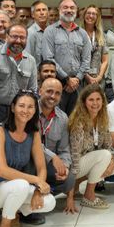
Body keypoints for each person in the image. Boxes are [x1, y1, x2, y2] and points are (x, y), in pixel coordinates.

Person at [0, 92, 55, 227]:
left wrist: (38, 190)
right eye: (21, 106)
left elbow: (41, 167)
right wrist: (36, 180)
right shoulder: (0, 130)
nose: (26, 110)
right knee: (21, 185)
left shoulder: (33, 133)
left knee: (49, 201)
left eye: (30, 107)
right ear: (12, 108)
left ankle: (14, 212)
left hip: (14, 188)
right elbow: (2, 170)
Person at [64, 84, 114, 213]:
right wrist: (70, 197)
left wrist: (111, 159)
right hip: (74, 167)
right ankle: (88, 195)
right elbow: (75, 156)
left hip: (89, 161)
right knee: (105, 156)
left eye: (98, 99)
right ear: (84, 102)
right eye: (91, 100)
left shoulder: (102, 118)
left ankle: (81, 186)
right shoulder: (78, 122)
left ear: (103, 100)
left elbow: (108, 146)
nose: (95, 103)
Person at [43, 0, 92, 114]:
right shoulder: (50, 31)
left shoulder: (83, 33)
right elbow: (48, 58)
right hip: (57, 84)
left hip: (77, 86)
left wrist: (77, 79)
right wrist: (66, 79)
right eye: (65, 7)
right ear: (59, 10)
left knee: (76, 120)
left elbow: (86, 60)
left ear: (76, 10)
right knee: (56, 117)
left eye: (72, 8)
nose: (69, 10)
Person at [37, 77, 74, 211]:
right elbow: (30, 143)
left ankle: (42, 197)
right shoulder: (29, 110)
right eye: (49, 91)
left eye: (57, 93)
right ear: (40, 91)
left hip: (48, 166)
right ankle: (29, 204)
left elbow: (64, 149)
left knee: (69, 179)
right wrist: (52, 156)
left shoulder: (63, 118)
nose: (53, 96)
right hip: (29, 163)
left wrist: (64, 167)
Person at [0, 24, 37, 123]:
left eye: (22, 38)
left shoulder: (31, 60)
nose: (18, 41)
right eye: (14, 36)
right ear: (7, 37)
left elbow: (33, 90)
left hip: (20, 112)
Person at [81, 5, 110, 93]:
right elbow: (76, 60)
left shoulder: (102, 36)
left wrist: (99, 77)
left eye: (94, 14)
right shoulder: (78, 34)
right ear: (84, 15)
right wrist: (87, 76)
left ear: (97, 18)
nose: (91, 16)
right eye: (88, 13)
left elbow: (105, 61)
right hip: (82, 78)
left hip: (98, 79)